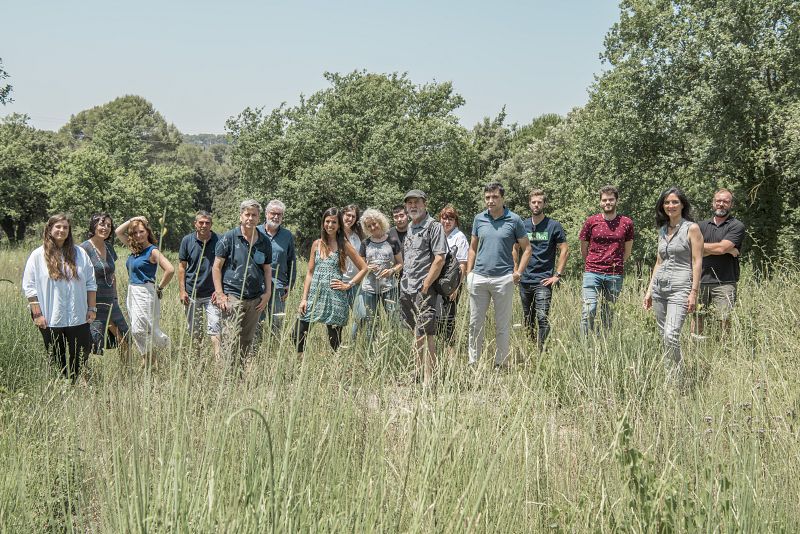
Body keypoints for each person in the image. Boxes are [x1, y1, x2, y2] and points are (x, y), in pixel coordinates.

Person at [23, 214, 97, 381]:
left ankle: (75, 382)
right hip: (50, 316)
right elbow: (29, 287)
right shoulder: (37, 255)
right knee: (57, 354)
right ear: (49, 229)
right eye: (58, 226)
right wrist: (37, 314)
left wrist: (92, 308)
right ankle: (62, 385)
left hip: (78, 314)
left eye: (65, 227)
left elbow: (91, 282)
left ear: (69, 231)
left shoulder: (80, 253)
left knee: (81, 351)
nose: (61, 230)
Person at [466, 182, 531, 367]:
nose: (490, 200)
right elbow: (472, 248)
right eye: (487, 197)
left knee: (502, 325)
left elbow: (527, 249)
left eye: (494, 197)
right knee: (474, 324)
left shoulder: (514, 219)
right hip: (479, 277)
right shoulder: (479, 219)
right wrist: (469, 273)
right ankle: (473, 363)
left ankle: (500, 364)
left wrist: (518, 272)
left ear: (502, 198)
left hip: (503, 279)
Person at [644, 187, 704, 377]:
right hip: (660, 288)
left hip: (681, 287)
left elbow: (697, 261)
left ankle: (677, 378)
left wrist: (694, 292)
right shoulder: (662, 230)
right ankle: (670, 376)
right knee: (664, 336)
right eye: (667, 202)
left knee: (671, 334)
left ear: (682, 204)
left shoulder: (692, 228)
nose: (671, 206)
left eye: (675, 202)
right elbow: (658, 262)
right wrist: (649, 291)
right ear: (663, 206)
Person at [296, 207, 368, 356]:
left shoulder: (344, 244)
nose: (330, 225)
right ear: (323, 223)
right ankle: (299, 364)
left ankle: (336, 370)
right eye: (327, 222)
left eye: (334, 222)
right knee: (298, 333)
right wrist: (304, 299)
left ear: (339, 225)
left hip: (335, 297)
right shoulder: (317, 244)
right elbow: (309, 273)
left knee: (334, 340)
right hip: (314, 297)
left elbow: (364, 267)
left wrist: (349, 284)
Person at [212, 200, 273, 367]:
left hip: (255, 298)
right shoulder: (229, 237)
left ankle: (239, 376)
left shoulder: (264, 241)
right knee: (229, 338)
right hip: (232, 296)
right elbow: (216, 267)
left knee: (246, 340)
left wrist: (267, 293)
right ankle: (225, 377)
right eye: (247, 214)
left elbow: (267, 269)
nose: (250, 218)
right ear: (241, 216)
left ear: (259, 218)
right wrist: (220, 294)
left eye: (254, 215)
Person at [399, 190, 447, 385]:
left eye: (416, 202)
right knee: (415, 334)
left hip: (423, 290)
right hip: (407, 288)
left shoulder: (433, 226)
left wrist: (426, 285)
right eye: (409, 203)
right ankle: (418, 374)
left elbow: (440, 258)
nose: (412, 206)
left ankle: (429, 379)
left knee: (427, 334)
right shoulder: (410, 226)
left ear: (424, 204)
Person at [514, 189, 568, 352]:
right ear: (529, 204)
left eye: (539, 202)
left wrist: (557, 275)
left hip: (544, 280)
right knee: (527, 318)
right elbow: (514, 248)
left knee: (542, 317)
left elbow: (564, 250)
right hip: (524, 280)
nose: (536, 205)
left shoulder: (553, 225)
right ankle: (530, 348)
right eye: (533, 202)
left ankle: (543, 352)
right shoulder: (522, 225)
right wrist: (516, 270)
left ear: (544, 204)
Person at [116, 216, 174, 365]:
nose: (138, 235)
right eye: (135, 233)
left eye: (141, 231)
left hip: (145, 291)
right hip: (132, 291)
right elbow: (118, 232)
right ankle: (149, 359)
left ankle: (167, 349)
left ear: (147, 232)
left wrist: (159, 287)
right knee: (138, 328)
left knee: (145, 329)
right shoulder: (134, 248)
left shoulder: (152, 251)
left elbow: (170, 269)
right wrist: (133, 219)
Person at [578, 185, 635, 335]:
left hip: (615, 274)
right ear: (600, 202)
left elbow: (627, 250)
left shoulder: (626, 223)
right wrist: (591, 263)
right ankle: (585, 345)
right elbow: (583, 247)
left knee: (608, 314)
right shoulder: (591, 221)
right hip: (592, 272)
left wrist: (616, 264)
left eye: (611, 199)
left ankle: (603, 344)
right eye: (604, 200)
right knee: (588, 310)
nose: (607, 203)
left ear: (617, 201)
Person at [692, 188, 746, 336]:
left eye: (725, 201)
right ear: (713, 203)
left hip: (725, 282)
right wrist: (726, 249)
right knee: (697, 318)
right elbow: (690, 248)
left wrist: (719, 248)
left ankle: (724, 352)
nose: (721, 204)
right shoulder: (700, 226)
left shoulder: (736, 226)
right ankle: (696, 349)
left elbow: (722, 248)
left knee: (723, 320)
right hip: (699, 280)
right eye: (718, 201)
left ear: (731, 205)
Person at [80, 212, 129, 360]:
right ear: (93, 225)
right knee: (93, 343)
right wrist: (87, 305)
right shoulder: (83, 249)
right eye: (102, 224)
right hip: (93, 304)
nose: (106, 228)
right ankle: (85, 379)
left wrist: (115, 296)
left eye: (108, 225)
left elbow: (112, 275)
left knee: (125, 338)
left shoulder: (109, 247)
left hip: (110, 302)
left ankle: (126, 375)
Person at [355, 209, 403, 343]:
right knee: (371, 321)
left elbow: (400, 263)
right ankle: (372, 349)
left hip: (389, 287)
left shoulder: (392, 241)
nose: (372, 227)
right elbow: (361, 266)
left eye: (374, 224)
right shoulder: (365, 244)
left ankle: (395, 346)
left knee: (394, 319)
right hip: (369, 288)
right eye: (369, 226)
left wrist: (391, 271)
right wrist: (367, 268)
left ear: (380, 222)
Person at [178, 211, 220, 358]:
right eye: (201, 222)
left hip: (212, 295)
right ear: (195, 224)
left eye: (207, 223)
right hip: (192, 294)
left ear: (211, 225)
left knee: (215, 329)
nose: (204, 225)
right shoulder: (187, 241)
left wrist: (220, 291)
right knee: (195, 331)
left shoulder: (219, 240)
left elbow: (224, 267)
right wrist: (182, 291)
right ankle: (197, 360)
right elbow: (182, 267)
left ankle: (218, 363)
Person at [258, 199, 296, 334]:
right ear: (266, 214)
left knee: (277, 325)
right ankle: (255, 353)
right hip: (258, 286)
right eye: (273, 213)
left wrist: (289, 285)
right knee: (257, 324)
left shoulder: (287, 235)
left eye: (279, 214)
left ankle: (274, 351)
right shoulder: (256, 232)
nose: (276, 217)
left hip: (279, 286)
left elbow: (292, 261)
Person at [436, 205, 469, 345]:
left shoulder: (459, 237)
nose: (447, 221)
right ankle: (439, 349)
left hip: (452, 283)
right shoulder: (438, 235)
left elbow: (463, 265)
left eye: (451, 218)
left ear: (456, 221)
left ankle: (450, 352)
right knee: (436, 318)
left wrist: (455, 287)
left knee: (448, 319)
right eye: (444, 218)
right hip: (437, 282)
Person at [341, 204, 363, 307]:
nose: (350, 219)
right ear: (342, 215)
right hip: (340, 282)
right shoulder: (335, 235)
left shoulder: (357, 236)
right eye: (348, 215)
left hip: (355, 282)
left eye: (353, 216)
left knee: (361, 316)